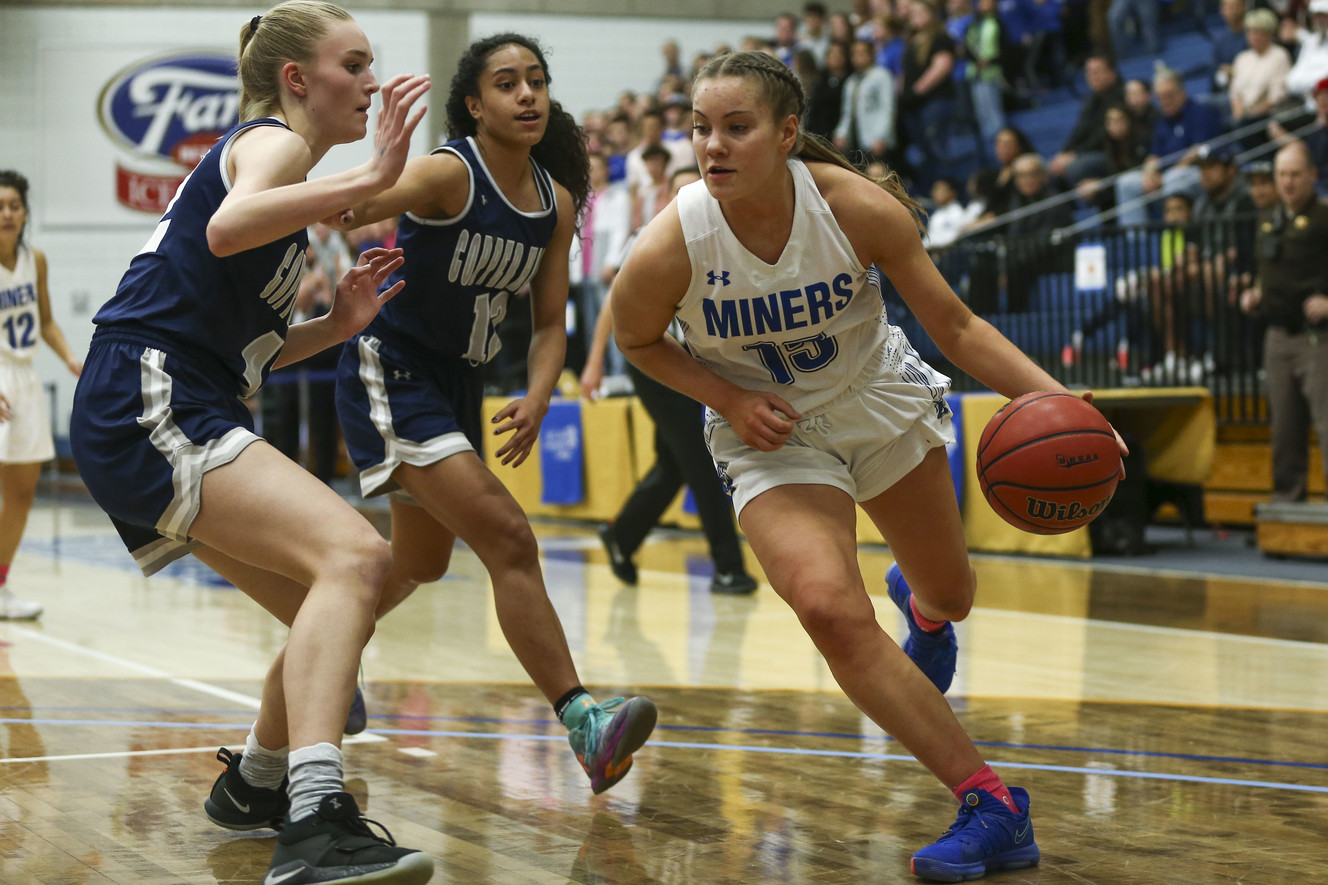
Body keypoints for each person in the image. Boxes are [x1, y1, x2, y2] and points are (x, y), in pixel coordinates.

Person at [611, 49, 1125, 882]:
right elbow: (637, 339)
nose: (713, 145)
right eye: (701, 128)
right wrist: (729, 399)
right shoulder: (674, 240)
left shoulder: (857, 209)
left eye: (736, 128)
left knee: (953, 592)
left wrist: (1071, 407)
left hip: (874, 395)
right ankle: (993, 803)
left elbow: (955, 328)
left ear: (785, 135)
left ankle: (924, 613)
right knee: (827, 607)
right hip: (770, 434)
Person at [67, 4, 434, 884]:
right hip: (149, 391)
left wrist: (334, 323)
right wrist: (373, 175)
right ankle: (316, 820)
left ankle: (259, 784)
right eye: (355, 64)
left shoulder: (281, 189)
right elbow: (231, 225)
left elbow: (252, 353)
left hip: (165, 391)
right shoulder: (268, 143)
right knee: (355, 553)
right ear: (297, 80)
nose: (374, 82)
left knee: (336, 601)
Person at [329, 32, 658, 797]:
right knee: (510, 536)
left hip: (460, 388)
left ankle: (325, 652)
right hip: (393, 368)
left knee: (420, 561)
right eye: (507, 84)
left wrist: (542, 390)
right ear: (475, 105)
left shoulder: (556, 201)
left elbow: (549, 324)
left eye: (536, 80)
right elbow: (353, 209)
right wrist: (382, 164)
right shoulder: (451, 171)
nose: (527, 95)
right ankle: (584, 722)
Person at [582, 167, 757, 596]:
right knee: (702, 460)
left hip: (701, 368)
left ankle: (623, 536)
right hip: (660, 366)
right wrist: (594, 363)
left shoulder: (725, 234)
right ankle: (728, 567)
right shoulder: (650, 236)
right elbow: (615, 306)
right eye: (676, 188)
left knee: (674, 464)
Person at [0, 170, 82, 621]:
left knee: (22, 493)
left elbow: (45, 319)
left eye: (14, 205)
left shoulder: (38, 261)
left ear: (25, 211)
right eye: (0, 206)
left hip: (24, 379)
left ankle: (0, 585)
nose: (7, 213)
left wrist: (71, 357)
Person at [1239, 140, 1328, 502]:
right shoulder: (1268, 220)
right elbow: (1269, 270)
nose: (1287, 182)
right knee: (1284, 427)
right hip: (1276, 336)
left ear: (1312, 175)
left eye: (1294, 174)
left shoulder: (1325, 218)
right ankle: (1288, 502)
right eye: (1281, 175)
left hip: (1318, 339)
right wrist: (1256, 293)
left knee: (1326, 424)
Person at [1115, 69, 1223, 228]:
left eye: (1169, 95)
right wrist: (1149, 174)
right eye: (1160, 97)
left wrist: (1167, 174)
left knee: (1174, 178)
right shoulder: (1162, 121)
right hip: (1166, 175)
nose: (1165, 101)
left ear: (1182, 92)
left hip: (1195, 171)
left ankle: (1174, 236)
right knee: (1125, 183)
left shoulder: (1200, 112)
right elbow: (1154, 155)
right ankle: (1136, 241)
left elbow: (1197, 151)